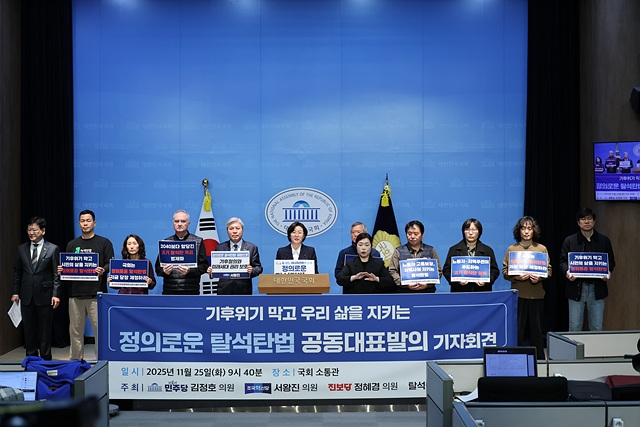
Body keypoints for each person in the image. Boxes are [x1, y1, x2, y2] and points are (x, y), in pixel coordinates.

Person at [60, 210, 114, 360]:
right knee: (75, 332)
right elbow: (68, 265)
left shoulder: (104, 242)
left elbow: (110, 263)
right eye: (82, 221)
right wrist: (62, 269)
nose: (85, 223)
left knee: (99, 331)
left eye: (88, 221)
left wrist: (103, 269)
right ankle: (76, 361)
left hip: (97, 295)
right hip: (75, 294)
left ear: (94, 223)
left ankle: (101, 361)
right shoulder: (72, 244)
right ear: (79, 223)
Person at [502, 216, 551, 359]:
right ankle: (515, 359)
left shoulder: (541, 249)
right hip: (518, 296)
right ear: (519, 231)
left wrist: (540, 277)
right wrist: (516, 277)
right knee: (517, 331)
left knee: (537, 331)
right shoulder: (512, 249)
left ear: (534, 231)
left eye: (529, 228)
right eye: (523, 228)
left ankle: (539, 361)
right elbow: (505, 271)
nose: (526, 231)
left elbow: (549, 270)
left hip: (537, 295)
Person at [12, 217, 61, 360]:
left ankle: (45, 359)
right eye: (29, 230)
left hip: (45, 295)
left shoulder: (52, 249)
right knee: (29, 330)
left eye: (34, 230)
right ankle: (31, 359)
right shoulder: (22, 249)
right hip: (26, 295)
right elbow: (17, 272)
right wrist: (15, 292)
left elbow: (56, 274)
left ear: (43, 231)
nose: (31, 233)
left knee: (45, 330)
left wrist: (56, 294)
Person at [559, 208, 615, 331]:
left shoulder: (604, 240)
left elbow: (611, 261)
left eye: (589, 219)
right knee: (574, 327)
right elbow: (562, 261)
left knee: (596, 327)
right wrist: (567, 271)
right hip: (576, 288)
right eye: (583, 219)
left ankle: (596, 345)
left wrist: (608, 271)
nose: (586, 221)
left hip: (597, 288)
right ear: (578, 222)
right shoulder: (570, 241)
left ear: (594, 221)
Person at [154, 210, 209, 295]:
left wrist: (190, 271)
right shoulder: (166, 242)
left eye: (183, 221)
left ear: (188, 224)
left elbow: (204, 266)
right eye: (177, 221)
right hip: (170, 290)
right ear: (173, 224)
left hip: (191, 291)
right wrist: (164, 271)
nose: (179, 224)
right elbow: (158, 268)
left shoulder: (198, 241)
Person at [207, 217, 263, 295]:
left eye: (237, 228)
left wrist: (252, 270)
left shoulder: (251, 247)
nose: (234, 231)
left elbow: (258, 268)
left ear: (242, 230)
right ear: (227, 231)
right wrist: (211, 271)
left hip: (243, 289)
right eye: (231, 229)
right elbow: (215, 268)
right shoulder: (220, 247)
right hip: (224, 289)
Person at [442, 218, 500, 292]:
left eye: (474, 230)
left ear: (479, 232)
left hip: (482, 291)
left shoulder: (488, 250)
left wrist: (486, 281)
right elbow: (446, 270)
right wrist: (457, 281)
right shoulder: (454, 249)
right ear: (463, 232)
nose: (470, 233)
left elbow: (495, 271)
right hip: (460, 292)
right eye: (467, 229)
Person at [388, 220, 442, 293]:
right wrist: (405, 284)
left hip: (427, 292)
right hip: (404, 292)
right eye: (409, 234)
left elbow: (438, 271)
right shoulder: (398, 251)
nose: (412, 236)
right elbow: (392, 271)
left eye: (416, 234)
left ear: (422, 235)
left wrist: (427, 284)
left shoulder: (431, 250)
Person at [334, 222, 381, 286]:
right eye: (353, 232)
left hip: (371, 288)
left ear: (365, 234)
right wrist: (351, 278)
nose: (355, 235)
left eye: (358, 232)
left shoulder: (375, 253)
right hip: (350, 288)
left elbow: (381, 275)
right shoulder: (344, 253)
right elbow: (338, 274)